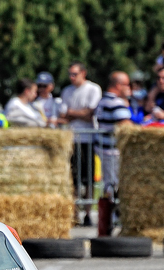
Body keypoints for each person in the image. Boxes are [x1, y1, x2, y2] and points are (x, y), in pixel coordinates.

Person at [61, 62, 102, 227]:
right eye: (70, 74)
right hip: (72, 140)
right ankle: (75, 213)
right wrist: (79, 114)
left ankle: (87, 213)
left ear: (83, 73)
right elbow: (65, 114)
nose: (72, 77)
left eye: (75, 74)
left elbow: (90, 113)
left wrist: (73, 113)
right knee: (74, 179)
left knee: (89, 179)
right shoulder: (67, 91)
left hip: (88, 140)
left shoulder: (93, 89)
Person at [94, 71, 132, 237]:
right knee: (115, 186)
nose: (129, 88)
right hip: (113, 151)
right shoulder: (115, 102)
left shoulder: (102, 101)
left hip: (104, 149)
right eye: (127, 85)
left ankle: (107, 222)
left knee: (109, 184)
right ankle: (114, 220)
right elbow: (126, 125)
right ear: (118, 85)